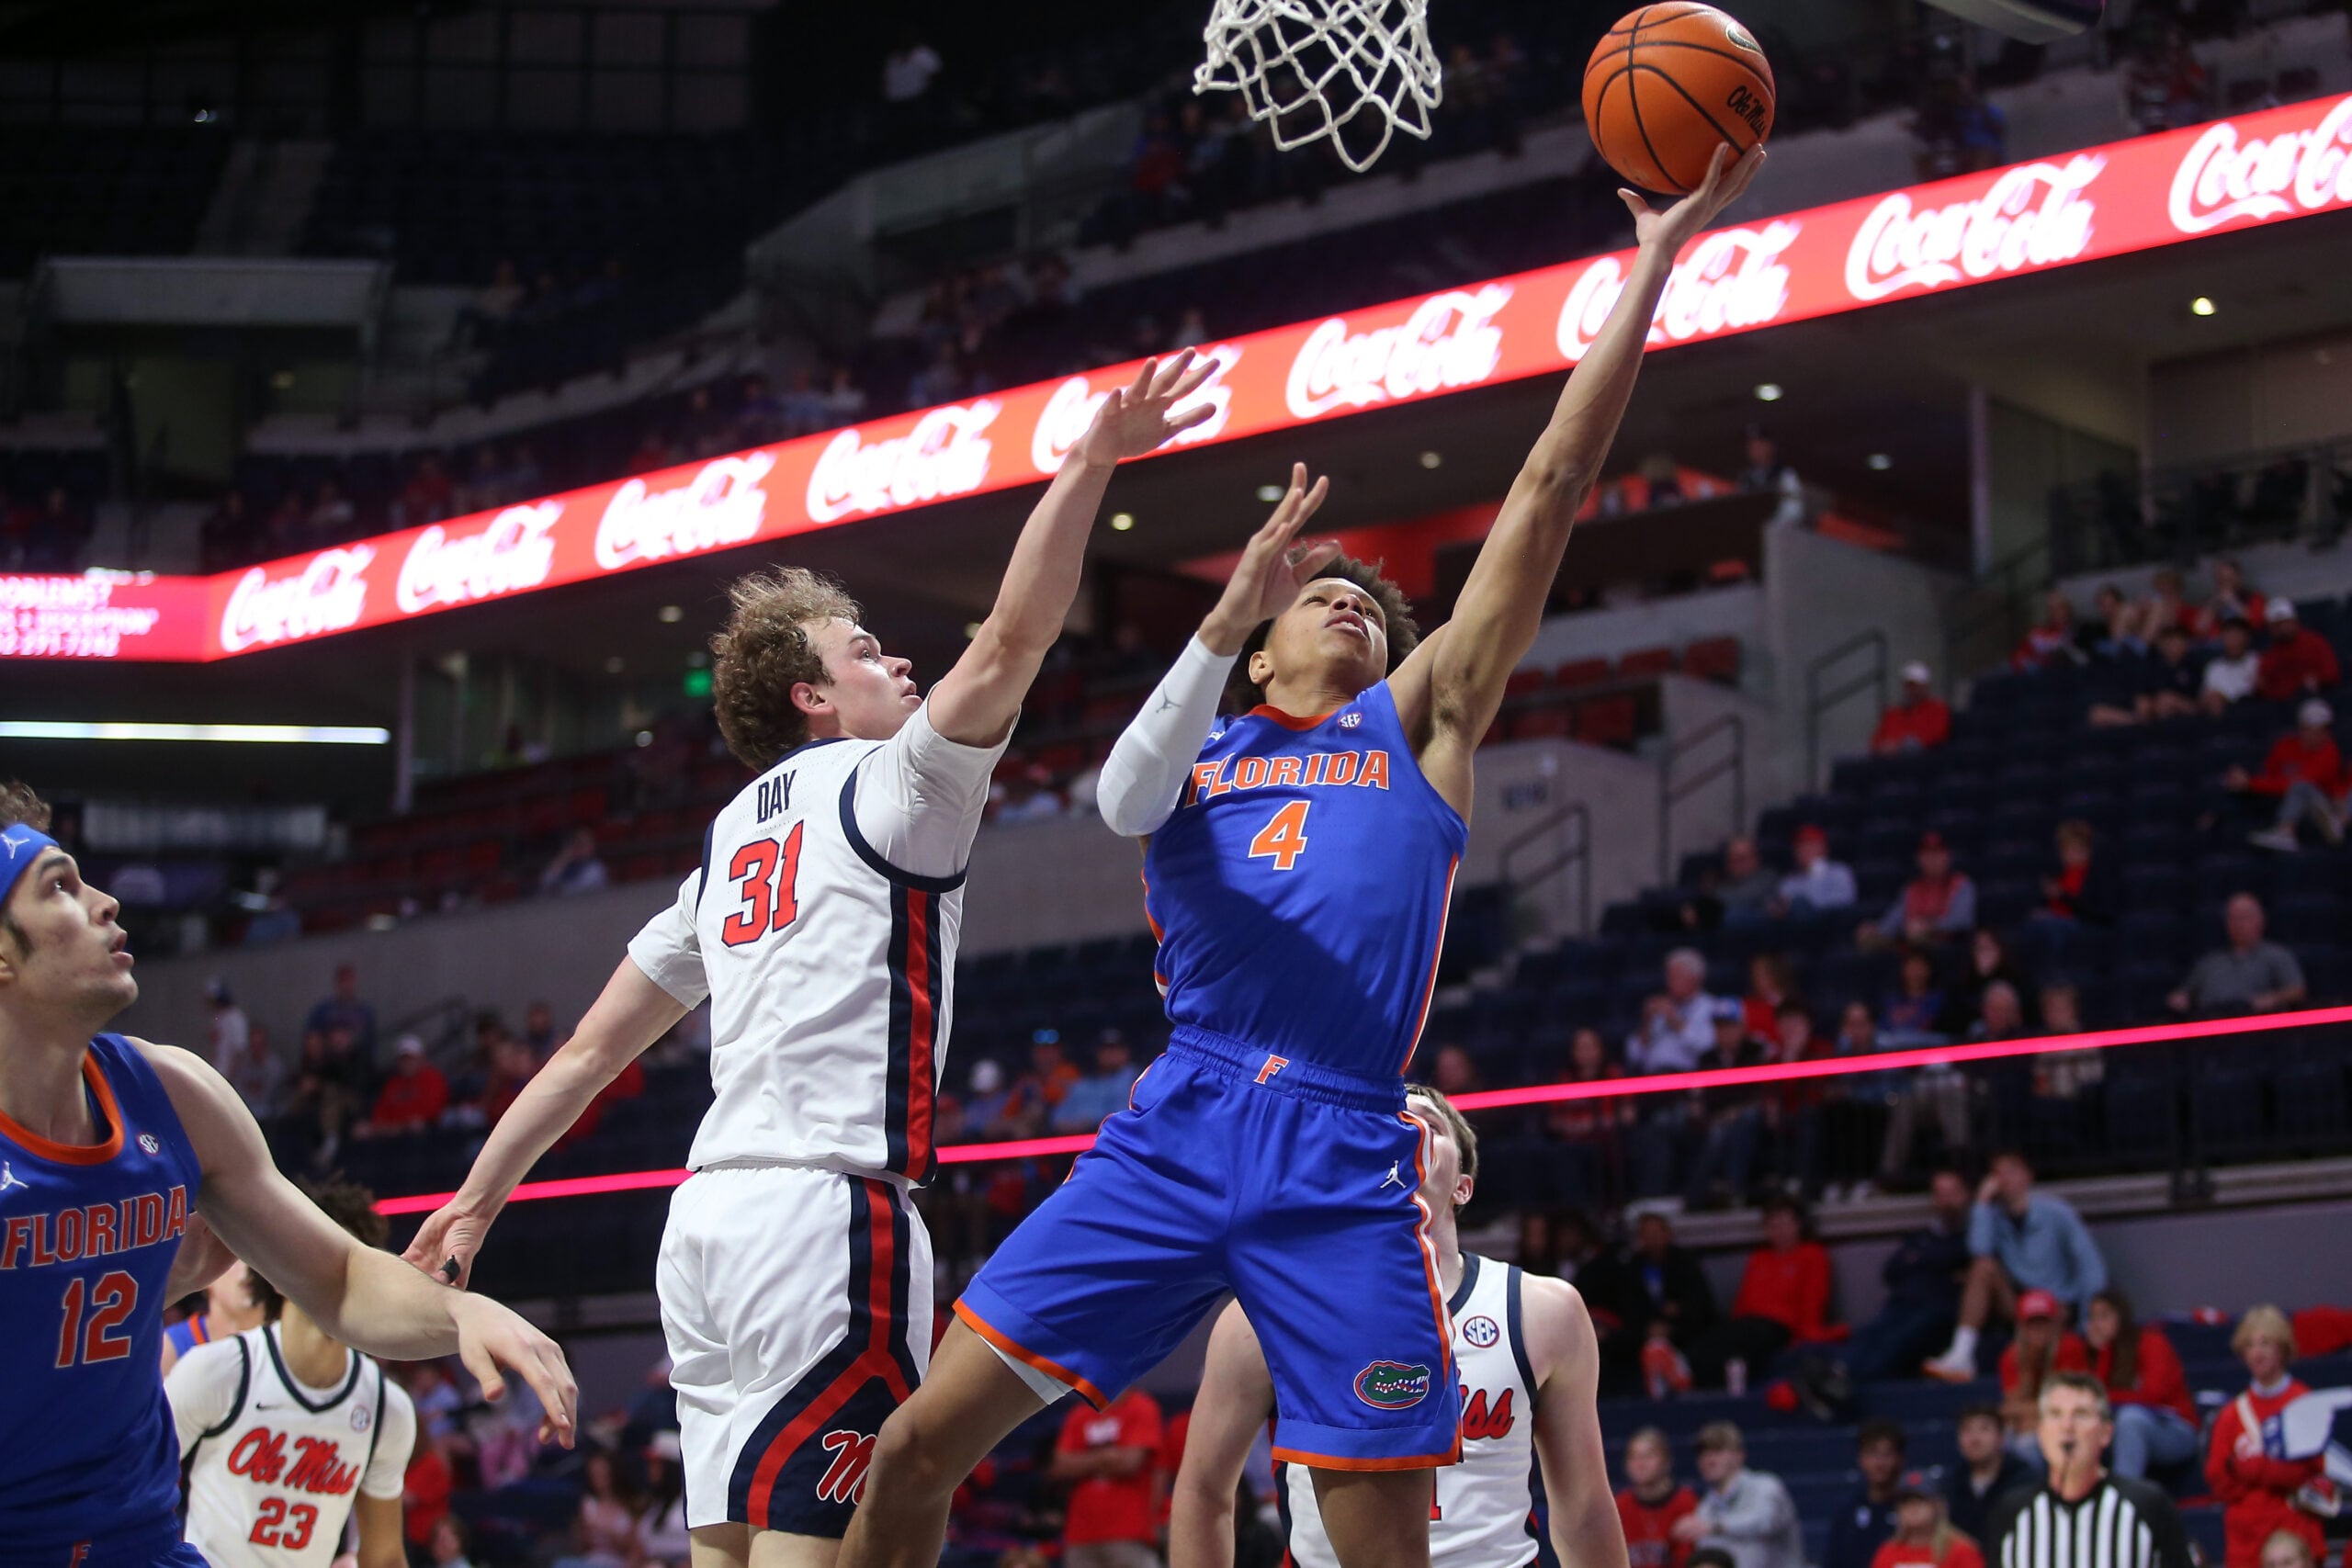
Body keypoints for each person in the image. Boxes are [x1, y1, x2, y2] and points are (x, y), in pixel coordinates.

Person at [840, 148, 1768, 1568]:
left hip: (1346, 1148)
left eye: (1370, 607)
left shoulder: (1421, 728)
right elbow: (1117, 791)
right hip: (1183, 1119)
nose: (1346, 601)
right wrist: (1213, 621)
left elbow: (1551, 483)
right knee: (910, 1445)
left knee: (1383, 1546)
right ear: (1258, 640)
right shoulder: (1193, 755)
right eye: (1319, 594)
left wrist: (1652, 264)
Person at [401, 354, 1221, 1562]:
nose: (900, 661)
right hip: (825, 1219)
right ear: (811, 698)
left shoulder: (727, 841)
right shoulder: (901, 784)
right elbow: (1012, 638)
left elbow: (587, 1049)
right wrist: (1090, 461)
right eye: (868, 649)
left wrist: (472, 1199)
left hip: (706, 1227)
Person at [0, 785, 574, 1565]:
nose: (105, 902)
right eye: (61, 885)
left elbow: (338, 1278)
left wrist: (462, 1314)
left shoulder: (173, 1093)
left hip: (136, 1539)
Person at [1168, 1089, 1626, 1568]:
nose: (1403, 1126)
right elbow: (1205, 1494)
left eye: (1427, 1122)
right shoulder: (1266, 1316)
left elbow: (1584, 1509)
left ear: (1462, 1186)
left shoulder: (1541, 1308)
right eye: (1384, 1120)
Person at [170, 1179, 419, 1568]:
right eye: (327, 1264)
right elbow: (132, 1492)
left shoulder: (388, 1409)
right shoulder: (219, 1371)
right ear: (281, 1273)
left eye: (354, 1268)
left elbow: (384, 1557)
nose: (341, 1281)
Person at [1925, 1151, 2107, 1382]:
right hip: (2021, 1305)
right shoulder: (1992, 1216)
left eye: (2011, 1171)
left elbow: (2090, 1266)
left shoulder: (2057, 1212)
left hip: (2058, 1306)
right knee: (1983, 1267)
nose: (2005, 1179)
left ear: (2028, 1176)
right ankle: (1961, 1355)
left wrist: (2087, 1322)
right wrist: (1981, 1203)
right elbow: (1978, 1250)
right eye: (1997, 1174)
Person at [1984, 1372, 2194, 1568]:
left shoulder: (2147, 1505)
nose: (2067, 1426)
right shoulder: (2012, 1512)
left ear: (2105, 1433)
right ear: (2040, 1432)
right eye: (2055, 1414)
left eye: (2081, 1414)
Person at [2206, 1305, 2326, 1568]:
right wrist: (2273, 1470)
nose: (2257, 1353)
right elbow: (2218, 1479)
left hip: (2294, 1532)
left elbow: (2309, 1472)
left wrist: (2248, 1468)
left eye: (2265, 1343)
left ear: (2282, 1348)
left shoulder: (2303, 1403)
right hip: (2246, 1539)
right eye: (2250, 1345)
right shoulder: (2231, 1414)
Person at [1687, 1196, 1836, 1387]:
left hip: (1781, 1327)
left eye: (1784, 1224)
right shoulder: (1759, 1259)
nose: (1779, 1231)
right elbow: (1742, 1302)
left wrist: (1802, 1338)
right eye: (1772, 1226)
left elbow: (1813, 1301)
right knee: (1719, 1336)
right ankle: (1683, 1368)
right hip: (1749, 1325)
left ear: (1798, 1225)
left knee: (1749, 1336)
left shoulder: (1812, 1255)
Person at [1841, 1168, 1973, 1382]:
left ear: (1966, 1195)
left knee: (1900, 1337)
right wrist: (1936, 1264)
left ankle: (1856, 1381)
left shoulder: (1972, 1236)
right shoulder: (1921, 1236)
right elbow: (1891, 1271)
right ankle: (1839, 1373)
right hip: (1903, 1303)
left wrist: (1921, 1261)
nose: (1946, 1201)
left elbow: (1955, 1256)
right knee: (1871, 1331)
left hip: (1940, 1308)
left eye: (1952, 1193)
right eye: (1941, 1194)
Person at [2083, 1289, 2197, 1480]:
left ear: (2121, 1315)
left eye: (2104, 1316)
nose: (2097, 1324)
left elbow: (2153, 1396)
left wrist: (2109, 1399)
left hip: (2174, 1428)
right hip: (2126, 1429)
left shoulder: (2151, 1342)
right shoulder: (2103, 1352)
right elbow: (2095, 1397)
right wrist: (2103, 1352)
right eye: (2093, 1318)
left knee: (2130, 1419)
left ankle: (2122, 1501)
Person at [1055, 1385, 1163, 1568]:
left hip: (1130, 1530)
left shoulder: (1142, 1407)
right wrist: (1106, 1457)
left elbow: (1130, 1463)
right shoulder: (1079, 1414)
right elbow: (1061, 1465)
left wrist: (1084, 1461)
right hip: (1081, 1533)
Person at [1672, 1422, 1804, 1568]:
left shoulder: (1766, 1486)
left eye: (1718, 1450)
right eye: (1702, 1452)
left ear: (1739, 1455)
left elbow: (1763, 1522)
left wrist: (1716, 1527)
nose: (1709, 1459)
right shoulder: (1706, 1507)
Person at [2232, 700, 2348, 852]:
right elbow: (2268, 774)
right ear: (2301, 728)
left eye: (2321, 730)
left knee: (2301, 787)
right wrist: (2243, 780)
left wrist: (2251, 783)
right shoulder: (2285, 745)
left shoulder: (2330, 753)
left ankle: (2286, 832)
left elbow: (2298, 783)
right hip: (2283, 800)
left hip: (2319, 805)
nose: (2315, 735)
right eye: (2310, 729)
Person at [2167, 894, 2308, 1017]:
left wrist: (2273, 999)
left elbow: (2297, 990)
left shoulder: (2276, 955)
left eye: (2243, 917)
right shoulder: (2210, 961)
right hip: (2211, 1028)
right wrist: (2180, 999)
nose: (2238, 924)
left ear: (2260, 920)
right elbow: (2185, 993)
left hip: (2255, 1030)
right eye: (2233, 918)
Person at [1998, 1292, 2089, 1461]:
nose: (2038, 1330)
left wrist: (2028, 1417)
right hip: (2030, 1424)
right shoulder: (2012, 1356)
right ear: (2022, 1328)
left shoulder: (2070, 1346)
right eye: (2032, 1324)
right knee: (2002, 1441)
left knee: (2027, 1444)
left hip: (2073, 1425)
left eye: (2044, 1323)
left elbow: (2064, 1405)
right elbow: (2008, 1409)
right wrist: (2027, 1370)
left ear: (2055, 1324)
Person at [1860, 833, 1975, 950]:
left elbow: (1962, 921)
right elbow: (1893, 920)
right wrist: (1875, 929)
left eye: (1937, 853)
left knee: (1916, 933)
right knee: (1867, 937)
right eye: (1927, 854)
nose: (1932, 859)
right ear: (1919, 859)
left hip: (1949, 946)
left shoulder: (1961, 884)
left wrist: (1929, 926)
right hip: (1911, 946)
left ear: (1947, 856)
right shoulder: (1912, 888)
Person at [1944, 1404, 2032, 1545]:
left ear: (2001, 1437)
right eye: (1967, 1430)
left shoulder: (2024, 1480)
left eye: (1984, 1429)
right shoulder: (1952, 1483)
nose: (1974, 1439)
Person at [160, 1259, 268, 1374]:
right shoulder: (168, 1348)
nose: (248, 1268)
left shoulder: (285, 1340)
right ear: (205, 1274)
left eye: (252, 1257)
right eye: (236, 1257)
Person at [1825, 1423, 1907, 1568]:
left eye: (1887, 1454)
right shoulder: (1846, 1513)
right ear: (1860, 1459)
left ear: (1900, 1458)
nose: (1880, 1463)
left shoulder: (1914, 1511)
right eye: (1872, 1453)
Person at [1619, 1427, 1700, 1568]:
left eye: (1648, 1456)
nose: (1640, 1464)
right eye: (1634, 1457)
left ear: (1666, 1462)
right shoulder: (1619, 1505)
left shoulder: (1685, 1501)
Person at [1630, 948, 1720, 1074]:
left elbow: (1708, 1048)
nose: (1669, 983)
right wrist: (1647, 1022)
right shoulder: (1660, 1006)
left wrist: (1675, 1022)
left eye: (1675, 977)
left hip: (1687, 1078)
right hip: (1652, 1078)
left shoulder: (1711, 1007)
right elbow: (1634, 1055)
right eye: (1668, 977)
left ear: (1695, 979)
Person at [1872, 1476, 1982, 1568]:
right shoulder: (1888, 1552)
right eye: (1906, 1502)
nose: (1912, 1507)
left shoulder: (1961, 1551)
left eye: (1920, 1500)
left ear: (1937, 1506)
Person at [1050, 1031, 1144, 1134]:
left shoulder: (1137, 1080)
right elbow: (1057, 1117)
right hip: (1076, 1141)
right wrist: (1071, 1125)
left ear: (1126, 1052)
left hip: (1114, 1141)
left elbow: (1124, 1117)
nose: (1111, 1054)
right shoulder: (1083, 1084)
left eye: (1116, 1049)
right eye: (1106, 1050)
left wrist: (1090, 1122)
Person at [360, 1034, 450, 1137]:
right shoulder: (393, 1084)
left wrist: (403, 1125)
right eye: (404, 1060)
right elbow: (380, 1115)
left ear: (421, 1059)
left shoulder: (433, 1078)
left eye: (411, 1059)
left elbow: (432, 1112)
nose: (407, 1063)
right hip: (394, 1136)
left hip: (428, 1136)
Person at [2256, 600, 2340, 701]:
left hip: (2317, 697)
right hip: (2282, 704)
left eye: (2286, 622)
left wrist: (2318, 679)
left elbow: (2332, 673)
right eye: (2277, 625)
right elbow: (2267, 688)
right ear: (2270, 628)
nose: (2283, 628)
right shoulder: (2268, 655)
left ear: (2295, 621)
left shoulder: (2314, 642)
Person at [1776, 826, 1858, 916]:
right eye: (1800, 846)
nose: (1805, 850)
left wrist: (1816, 872)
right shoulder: (1789, 881)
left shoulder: (1840, 872)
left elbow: (1844, 902)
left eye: (1810, 844)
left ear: (1824, 847)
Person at [1872, 663, 1951, 754]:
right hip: (1889, 761)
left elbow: (1937, 735)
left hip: (1921, 759)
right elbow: (1877, 740)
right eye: (1909, 686)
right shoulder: (1893, 713)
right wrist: (1883, 747)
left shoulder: (1937, 709)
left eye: (1916, 686)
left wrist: (1900, 745)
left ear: (1926, 687)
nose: (1912, 690)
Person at [303, 962, 376, 1060]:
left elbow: (371, 1041)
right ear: (337, 983)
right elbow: (311, 1036)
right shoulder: (323, 1009)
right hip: (328, 1059)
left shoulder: (365, 1012)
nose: (346, 985)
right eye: (343, 981)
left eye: (349, 981)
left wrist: (351, 1040)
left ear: (355, 982)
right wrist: (330, 1039)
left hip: (356, 1061)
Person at [2204, 617, 2263, 711]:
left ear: (2247, 638)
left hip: (2252, 710)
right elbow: (2208, 695)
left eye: (2238, 635)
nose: (2234, 641)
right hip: (2225, 713)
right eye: (2230, 635)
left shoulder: (2257, 661)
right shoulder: (2215, 667)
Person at [540, 826, 611, 896]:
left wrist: (556, 889)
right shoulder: (566, 864)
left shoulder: (596, 868)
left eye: (585, 844)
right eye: (577, 843)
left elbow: (578, 889)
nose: (581, 848)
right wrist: (563, 858)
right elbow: (545, 881)